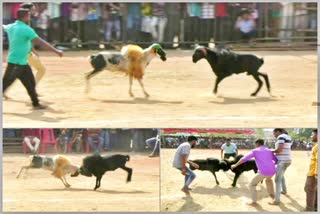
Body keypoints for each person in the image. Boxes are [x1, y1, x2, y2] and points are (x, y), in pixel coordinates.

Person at [3, 9, 63, 109]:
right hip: (16, 63)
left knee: (30, 83)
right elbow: (41, 42)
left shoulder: (11, 26)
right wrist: (56, 51)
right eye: (29, 15)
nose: (30, 17)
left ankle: (36, 103)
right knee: (5, 84)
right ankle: (36, 103)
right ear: (25, 17)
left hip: (21, 62)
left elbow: (3, 26)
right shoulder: (26, 29)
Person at [231, 139, 277, 206]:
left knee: (252, 184)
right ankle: (272, 195)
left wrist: (235, 165)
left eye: (255, 144)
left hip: (263, 172)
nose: (255, 145)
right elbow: (276, 160)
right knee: (269, 180)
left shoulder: (255, 151)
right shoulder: (269, 150)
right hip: (273, 171)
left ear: (257, 144)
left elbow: (244, 159)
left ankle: (254, 202)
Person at [269, 128, 292, 205]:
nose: (274, 135)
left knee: (277, 180)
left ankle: (277, 200)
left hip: (282, 160)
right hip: (288, 160)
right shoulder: (288, 136)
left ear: (278, 131)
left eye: (274, 133)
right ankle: (284, 190)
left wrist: (271, 150)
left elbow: (279, 150)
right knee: (281, 176)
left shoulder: (281, 136)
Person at [305, 129, 317, 211]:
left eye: (312, 134)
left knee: (309, 189)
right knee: (314, 189)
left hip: (313, 173)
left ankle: (310, 209)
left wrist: (316, 174)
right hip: (314, 172)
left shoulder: (317, 146)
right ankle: (316, 207)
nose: (311, 136)